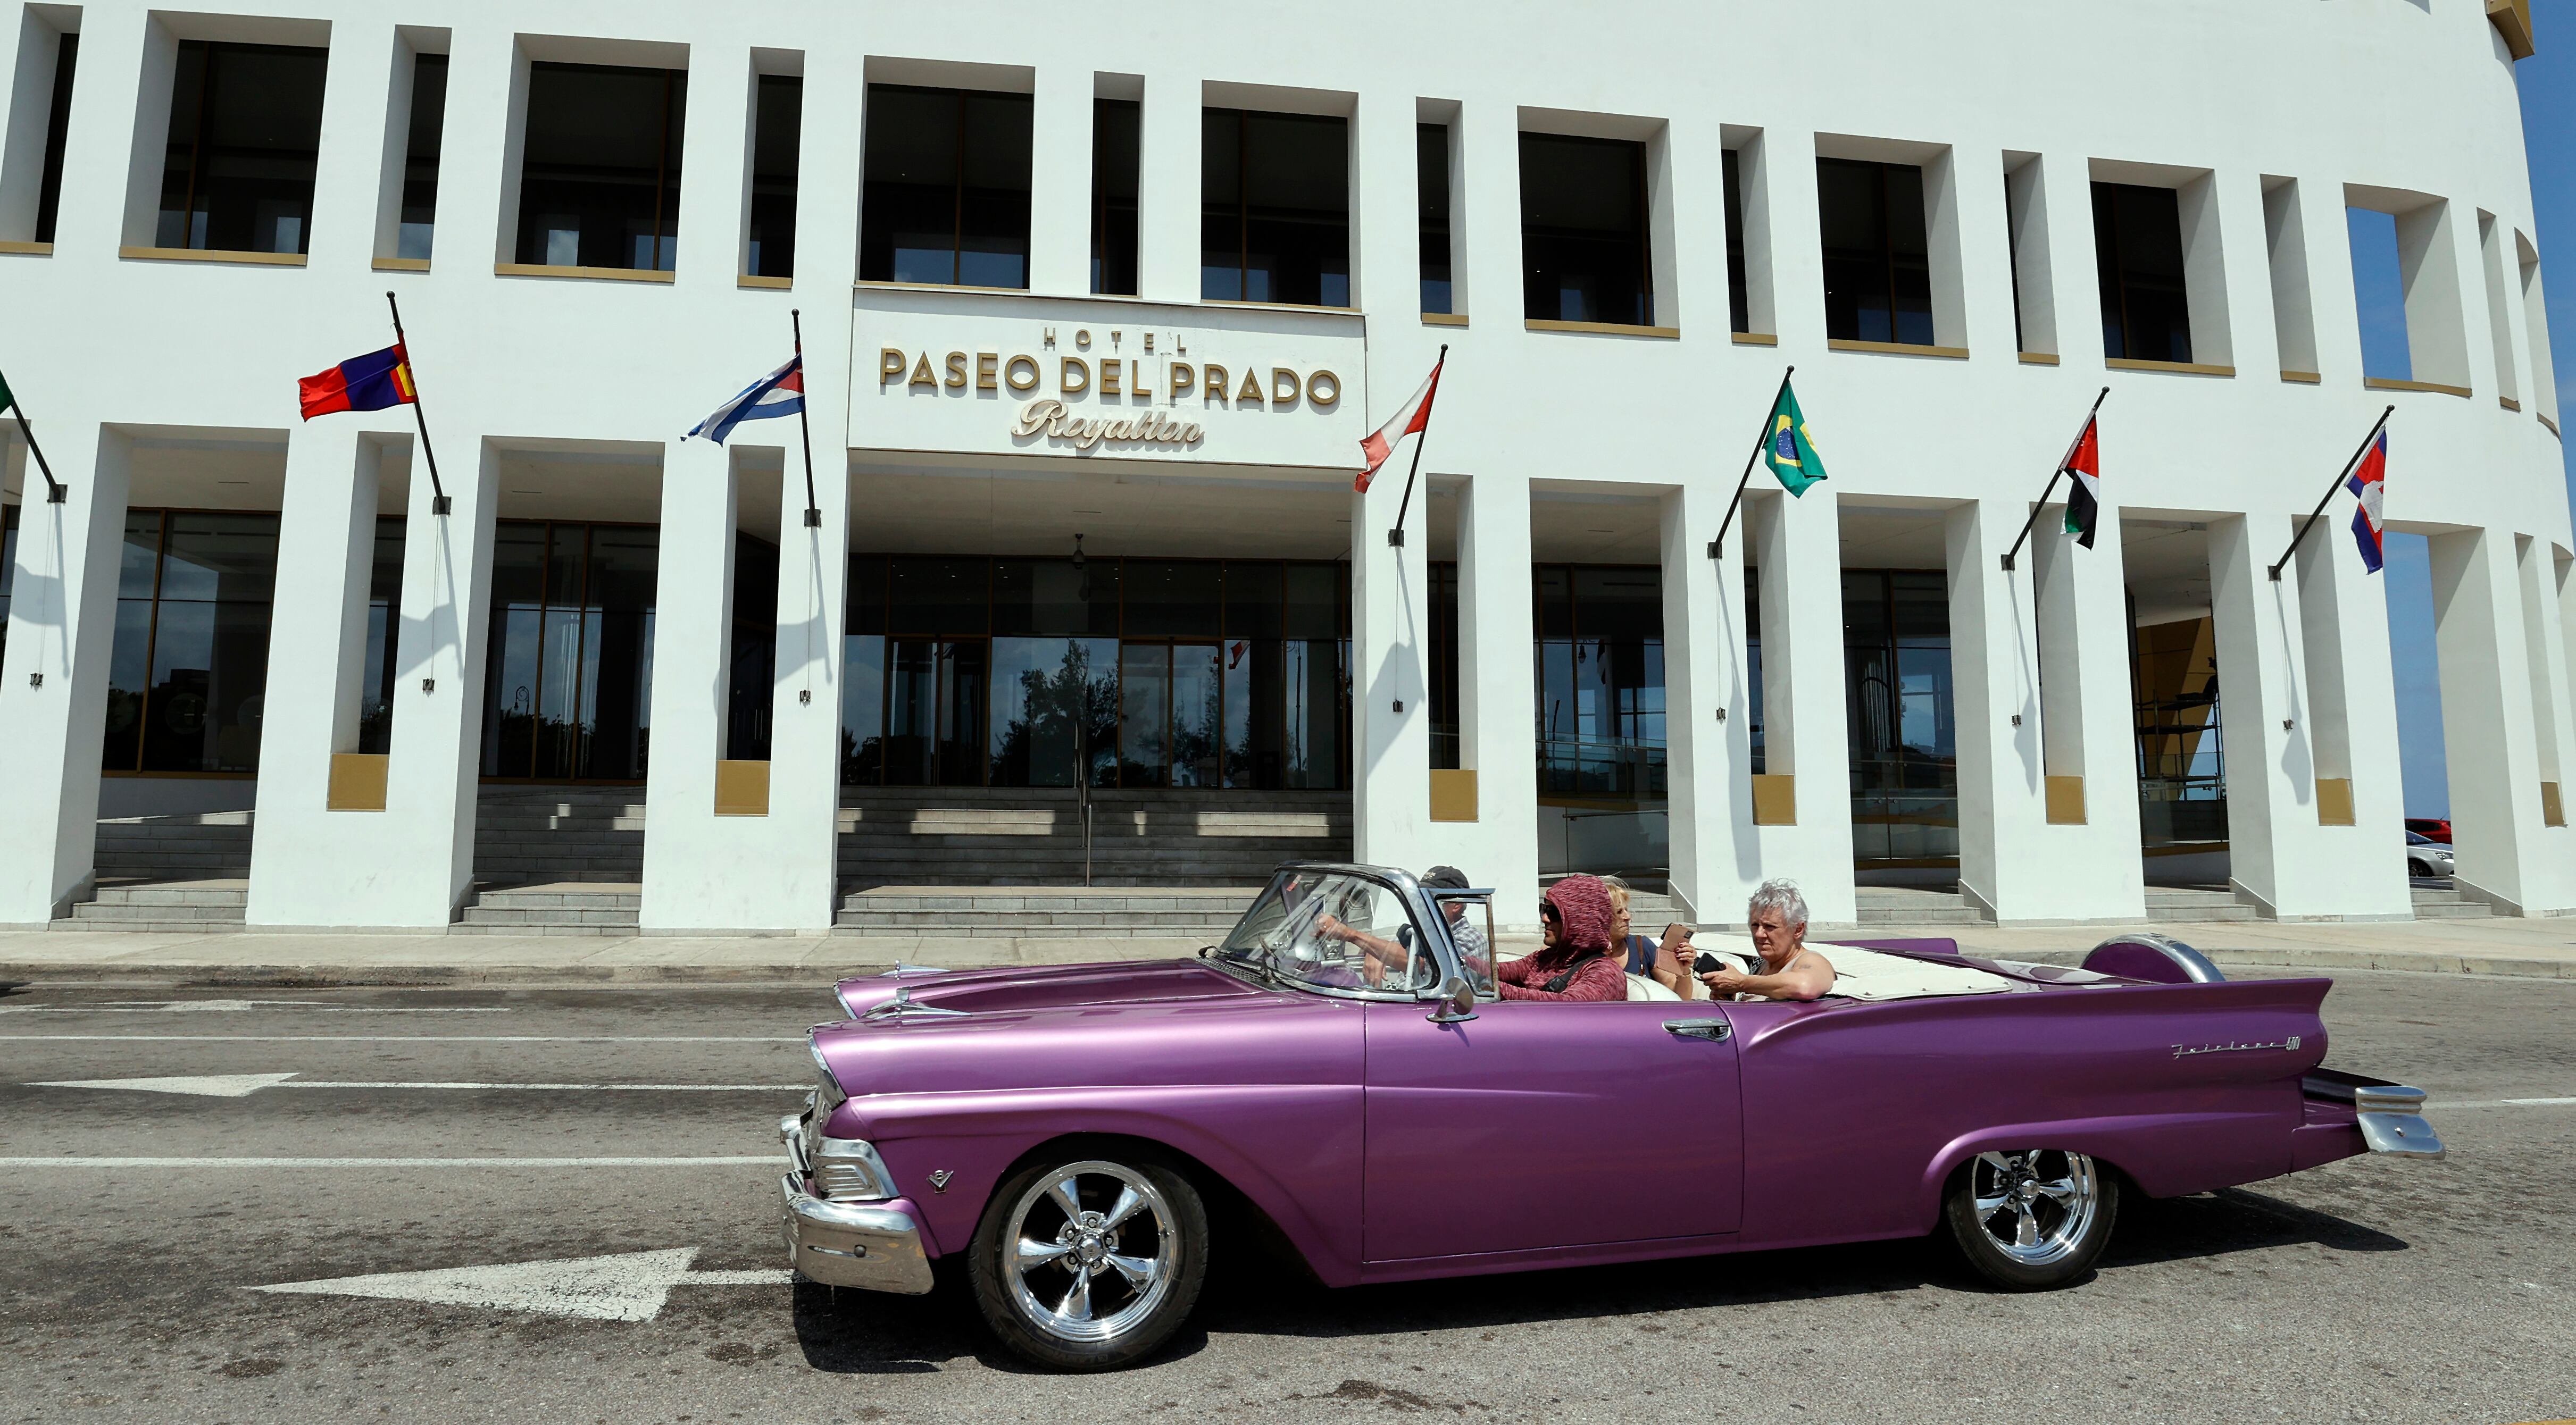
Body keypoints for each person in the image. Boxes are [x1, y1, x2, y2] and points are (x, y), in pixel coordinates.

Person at [1695, 877, 1835, 1002]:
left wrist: (1740, 982)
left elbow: (1805, 987)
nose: (1759, 934)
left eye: (1770, 927)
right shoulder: (1761, 964)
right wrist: (1730, 998)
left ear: (1798, 929)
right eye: (1755, 925)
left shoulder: (1812, 960)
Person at [1497, 875, 1627, 1002]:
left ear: (1581, 922)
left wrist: (1495, 989)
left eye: (1554, 912)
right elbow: (1496, 971)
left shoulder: (1605, 972)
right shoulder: (1545, 958)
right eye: (1544, 909)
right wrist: (1478, 970)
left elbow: (1568, 1005)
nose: (1544, 918)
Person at [1602, 876, 1697, 999]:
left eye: (1627, 910)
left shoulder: (1641, 946)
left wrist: (1684, 971)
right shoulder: (1581, 955)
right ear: (1600, 917)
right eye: (1619, 912)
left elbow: (1680, 998)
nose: (1628, 917)